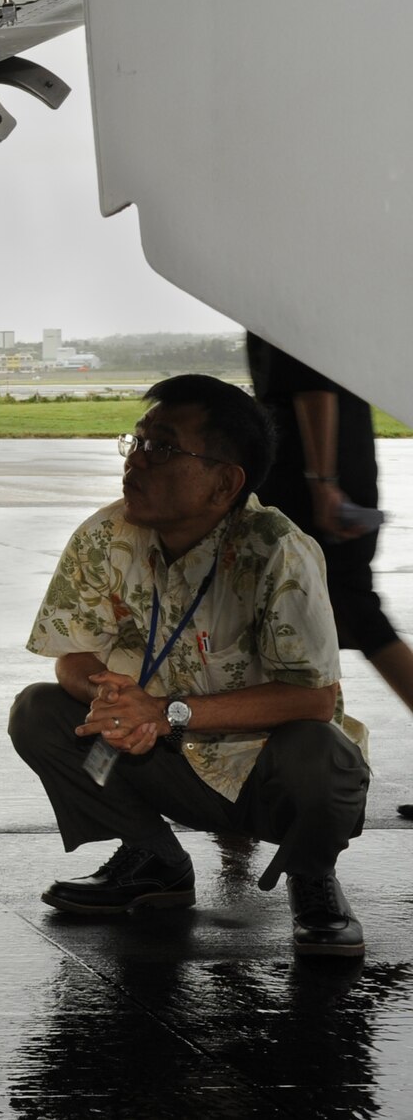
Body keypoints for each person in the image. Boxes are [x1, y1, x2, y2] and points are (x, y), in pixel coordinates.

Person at [10, 373, 370, 957]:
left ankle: (313, 877)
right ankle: (157, 860)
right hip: (163, 755)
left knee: (323, 753)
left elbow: (314, 700)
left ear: (225, 482)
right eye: (137, 441)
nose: (137, 462)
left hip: (265, 772)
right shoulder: (108, 534)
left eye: (163, 448)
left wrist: (165, 711)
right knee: (39, 711)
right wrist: (108, 694)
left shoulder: (277, 550)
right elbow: (72, 651)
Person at [246, 332, 413, 819]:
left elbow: (313, 387)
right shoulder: (322, 292)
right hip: (329, 472)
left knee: (354, 616)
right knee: (337, 619)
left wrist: (323, 483)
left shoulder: (288, 296)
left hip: (315, 482)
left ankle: (284, 776)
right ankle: (280, 769)